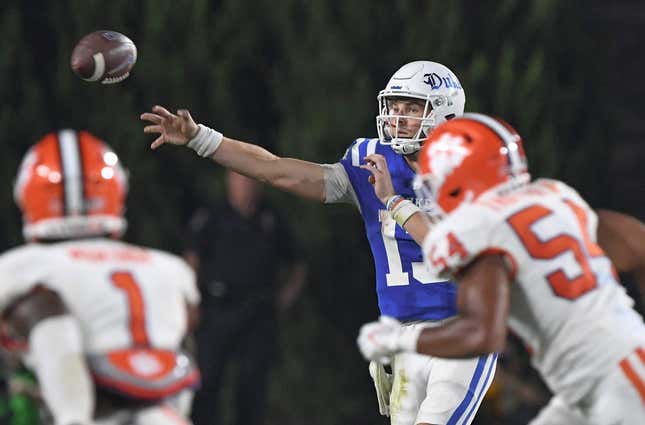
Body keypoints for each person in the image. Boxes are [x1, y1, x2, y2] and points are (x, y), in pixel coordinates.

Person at [140, 60, 497, 425]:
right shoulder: (372, 160)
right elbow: (276, 170)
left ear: (445, 115)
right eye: (395, 108)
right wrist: (201, 138)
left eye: (412, 109)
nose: (398, 118)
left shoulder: (473, 170)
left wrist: (394, 202)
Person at [356, 113, 645, 424]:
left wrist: (398, 341)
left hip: (615, 388)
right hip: (604, 379)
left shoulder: (482, 228)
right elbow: (637, 246)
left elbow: (482, 334)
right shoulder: (554, 195)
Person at [1, 130, 201, 425]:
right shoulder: (169, 268)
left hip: (89, 409)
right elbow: (187, 322)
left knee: (34, 306)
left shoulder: (24, 265)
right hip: (163, 411)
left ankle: (71, 416)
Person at [185, 169, 306, 425]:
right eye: (239, 179)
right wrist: (192, 300)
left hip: (258, 312)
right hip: (218, 309)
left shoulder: (271, 218)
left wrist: (284, 300)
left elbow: (297, 263)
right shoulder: (212, 216)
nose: (245, 186)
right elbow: (192, 258)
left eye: (250, 179)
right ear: (229, 182)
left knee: (252, 384)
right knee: (206, 380)